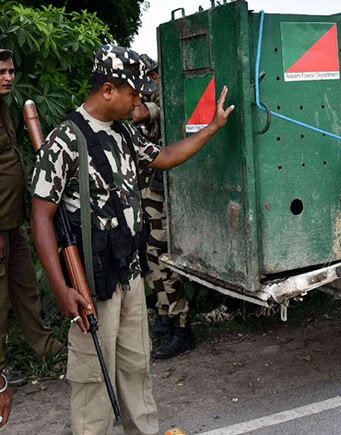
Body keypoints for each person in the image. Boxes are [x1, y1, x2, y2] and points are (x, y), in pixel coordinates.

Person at [30, 45, 234, 434]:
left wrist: (211, 128)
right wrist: (61, 288)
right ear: (108, 90)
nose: (138, 102)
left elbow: (162, 156)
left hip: (131, 275)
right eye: (133, 94)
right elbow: (41, 218)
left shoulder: (124, 132)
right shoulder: (65, 141)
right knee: (94, 384)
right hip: (93, 284)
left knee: (136, 370)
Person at [0, 47, 64, 388]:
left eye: (10, 71)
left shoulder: (4, 107)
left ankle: (43, 345)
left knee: (25, 285)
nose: (8, 77)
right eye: (1, 72)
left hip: (13, 218)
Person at [132, 54, 193, 359]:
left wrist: (138, 110)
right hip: (148, 195)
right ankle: (165, 313)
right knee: (150, 255)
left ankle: (183, 327)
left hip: (162, 197)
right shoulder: (148, 96)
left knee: (162, 257)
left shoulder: (161, 99)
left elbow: (149, 112)